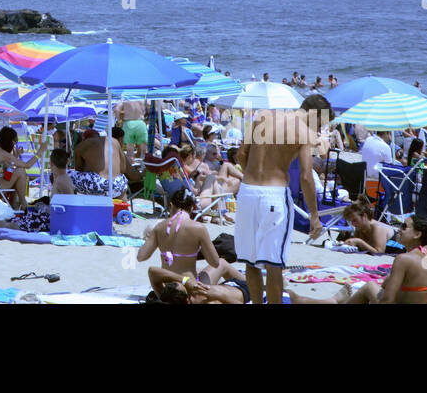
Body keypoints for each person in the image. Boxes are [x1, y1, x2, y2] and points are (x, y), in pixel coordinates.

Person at [234, 100, 322, 304]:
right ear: (314, 114)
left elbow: (240, 154)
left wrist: (253, 178)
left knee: (251, 261)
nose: (317, 129)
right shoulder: (304, 132)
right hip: (274, 196)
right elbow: (306, 176)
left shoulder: (262, 117)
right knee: (274, 264)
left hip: (247, 192)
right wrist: (314, 216)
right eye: (319, 125)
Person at [136, 188, 222, 293]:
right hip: (189, 288)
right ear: (191, 208)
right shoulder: (198, 228)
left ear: (171, 205)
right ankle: (246, 288)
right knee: (223, 264)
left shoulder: (159, 227)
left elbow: (141, 257)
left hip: (167, 288)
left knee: (200, 270)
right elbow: (215, 263)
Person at [0, 126, 47, 210]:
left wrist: (16, 155)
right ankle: (22, 204)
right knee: (20, 171)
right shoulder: (2, 153)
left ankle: (17, 204)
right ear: (10, 142)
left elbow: (9, 166)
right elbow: (27, 165)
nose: (15, 145)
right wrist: (39, 153)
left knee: (17, 174)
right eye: (15, 142)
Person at [69, 125, 131, 199]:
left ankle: (71, 202)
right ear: (98, 135)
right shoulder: (114, 141)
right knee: (122, 178)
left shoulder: (81, 145)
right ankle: (122, 205)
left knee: (65, 174)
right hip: (117, 186)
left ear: (84, 138)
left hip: (96, 185)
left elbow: (79, 169)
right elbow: (123, 169)